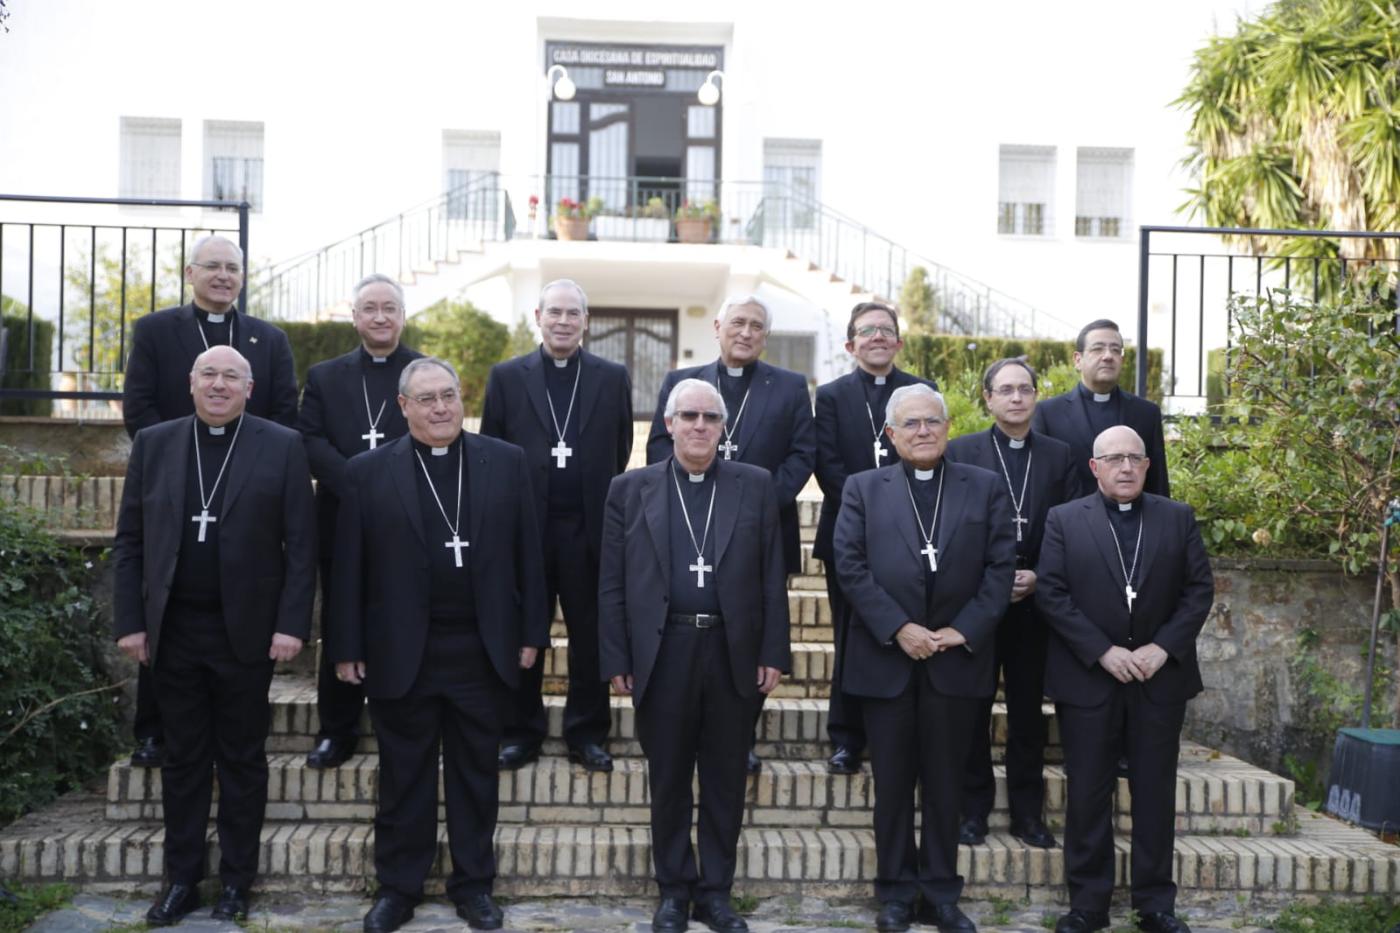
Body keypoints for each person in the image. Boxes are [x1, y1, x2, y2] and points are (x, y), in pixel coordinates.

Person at [328, 357, 548, 933]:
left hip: (482, 649)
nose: (441, 407)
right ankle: (398, 888)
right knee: (405, 776)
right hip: (403, 651)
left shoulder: (505, 461)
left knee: (477, 775)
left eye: (448, 394)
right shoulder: (366, 472)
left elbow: (531, 554)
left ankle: (474, 886)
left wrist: (531, 636)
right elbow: (348, 566)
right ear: (403, 407)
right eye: (426, 399)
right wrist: (346, 645)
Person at [112, 345, 315, 926]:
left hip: (245, 634)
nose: (220, 384)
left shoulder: (281, 445)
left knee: (243, 761)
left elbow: (301, 548)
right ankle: (181, 881)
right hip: (173, 630)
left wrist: (290, 625)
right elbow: (130, 541)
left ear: (250, 389)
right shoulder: (156, 444)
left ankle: (236, 883)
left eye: (232, 376)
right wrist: (131, 621)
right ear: (190, 383)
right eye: (209, 374)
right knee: (183, 761)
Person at [601, 378, 790, 933]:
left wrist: (773, 649)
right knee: (669, 778)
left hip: (733, 650)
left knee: (726, 778)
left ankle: (717, 893)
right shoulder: (629, 489)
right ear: (668, 423)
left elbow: (771, 575)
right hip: (664, 651)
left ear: (723, 427)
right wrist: (617, 656)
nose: (700, 426)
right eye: (689, 416)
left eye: (710, 417)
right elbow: (611, 581)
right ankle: (673, 891)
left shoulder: (754, 485)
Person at [833, 384, 1015, 933]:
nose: (922, 432)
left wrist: (962, 631)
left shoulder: (983, 487)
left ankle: (940, 892)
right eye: (909, 424)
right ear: (890, 435)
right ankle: (893, 891)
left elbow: (1001, 567)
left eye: (932, 422)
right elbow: (850, 565)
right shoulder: (863, 488)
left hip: (955, 660)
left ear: (948, 427)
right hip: (888, 659)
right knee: (892, 785)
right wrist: (899, 628)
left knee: (945, 785)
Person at [119, 234, 300, 769]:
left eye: (233, 268)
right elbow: (139, 406)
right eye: (212, 267)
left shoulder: (267, 339)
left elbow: (285, 413)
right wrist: (172, 467)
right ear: (190, 273)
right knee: (164, 603)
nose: (223, 276)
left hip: (248, 487)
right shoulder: (155, 331)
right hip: (173, 484)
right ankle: (153, 732)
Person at [1036, 426, 1213, 933]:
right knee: (1089, 792)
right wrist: (1101, 651)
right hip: (1090, 680)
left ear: (1147, 465)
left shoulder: (1176, 518)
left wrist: (1162, 648)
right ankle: (1088, 904)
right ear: (1095, 468)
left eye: (1135, 458)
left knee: (1154, 793)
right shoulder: (1065, 520)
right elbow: (1051, 592)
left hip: (1159, 680)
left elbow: (1198, 590)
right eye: (1114, 458)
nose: (1127, 467)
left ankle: (1155, 904)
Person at [646, 295, 814, 773]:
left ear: (765, 335)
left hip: (763, 533)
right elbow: (660, 446)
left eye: (756, 325)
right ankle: (681, 732)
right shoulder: (683, 382)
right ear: (717, 326)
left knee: (751, 634)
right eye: (737, 322)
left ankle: (739, 737)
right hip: (688, 528)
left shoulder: (788, 386)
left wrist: (758, 504)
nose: (745, 332)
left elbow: (803, 453)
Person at [482, 278, 633, 773]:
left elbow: (620, 447)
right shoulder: (507, 376)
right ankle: (519, 731)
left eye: (573, 314)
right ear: (538, 318)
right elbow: (492, 449)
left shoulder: (611, 377)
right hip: (525, 529)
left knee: (590, 635)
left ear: (586, 322)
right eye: (555, 313)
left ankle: (587, 733)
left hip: (588, 529)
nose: (564, 322)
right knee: (523, 629)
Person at [946, 358, 1075, 850]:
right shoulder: (962, 452)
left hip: (1034, 601)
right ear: (988, 398)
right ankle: (972, 811)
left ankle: (1027, 814)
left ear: (1036, 395)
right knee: (973, 708)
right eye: (1006, 390)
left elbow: (1071, 526)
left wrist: (1040, 574)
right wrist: (994, 581)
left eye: (1025, 389)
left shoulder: (1060, 456)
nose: (1017, 398)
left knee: (1026, 714)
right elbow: (953, 526)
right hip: (979, 601)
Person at [297, 273, 422, 769]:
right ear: (354, 317)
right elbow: (309, 441)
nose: (380, 316)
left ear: (403, 316)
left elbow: (438, 433)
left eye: (389, 307)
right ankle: (337, 728)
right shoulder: (326, 376)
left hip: (408, 517)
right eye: (369, 307)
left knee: (406, 616)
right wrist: (359, 480)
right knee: (341, 616)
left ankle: (407, 719)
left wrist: (384, 485)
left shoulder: (422, 370)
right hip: (340, 515)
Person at [813, 301, 938, 776]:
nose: (878, 337)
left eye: (886, 330)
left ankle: (906, 734)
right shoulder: (830, 396)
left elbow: (931, 457)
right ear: (851, 344)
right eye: (867, 331)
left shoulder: (921, 393)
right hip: (845, 535)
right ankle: (846, 739)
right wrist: (872, 513)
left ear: (899, 342)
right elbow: (827, 465)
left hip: (915, 538)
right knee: (850, 640)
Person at [1030, 319, 1168, 498]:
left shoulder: (1146, 413)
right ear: (1078, 360)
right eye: (1098, 349)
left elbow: (1158, 484)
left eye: (1115, 350)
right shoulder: (1047, 413)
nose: (1108, 356)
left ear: (1122, 359)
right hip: (1069, 522)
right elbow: (1040, 483)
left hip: (1131, 521)